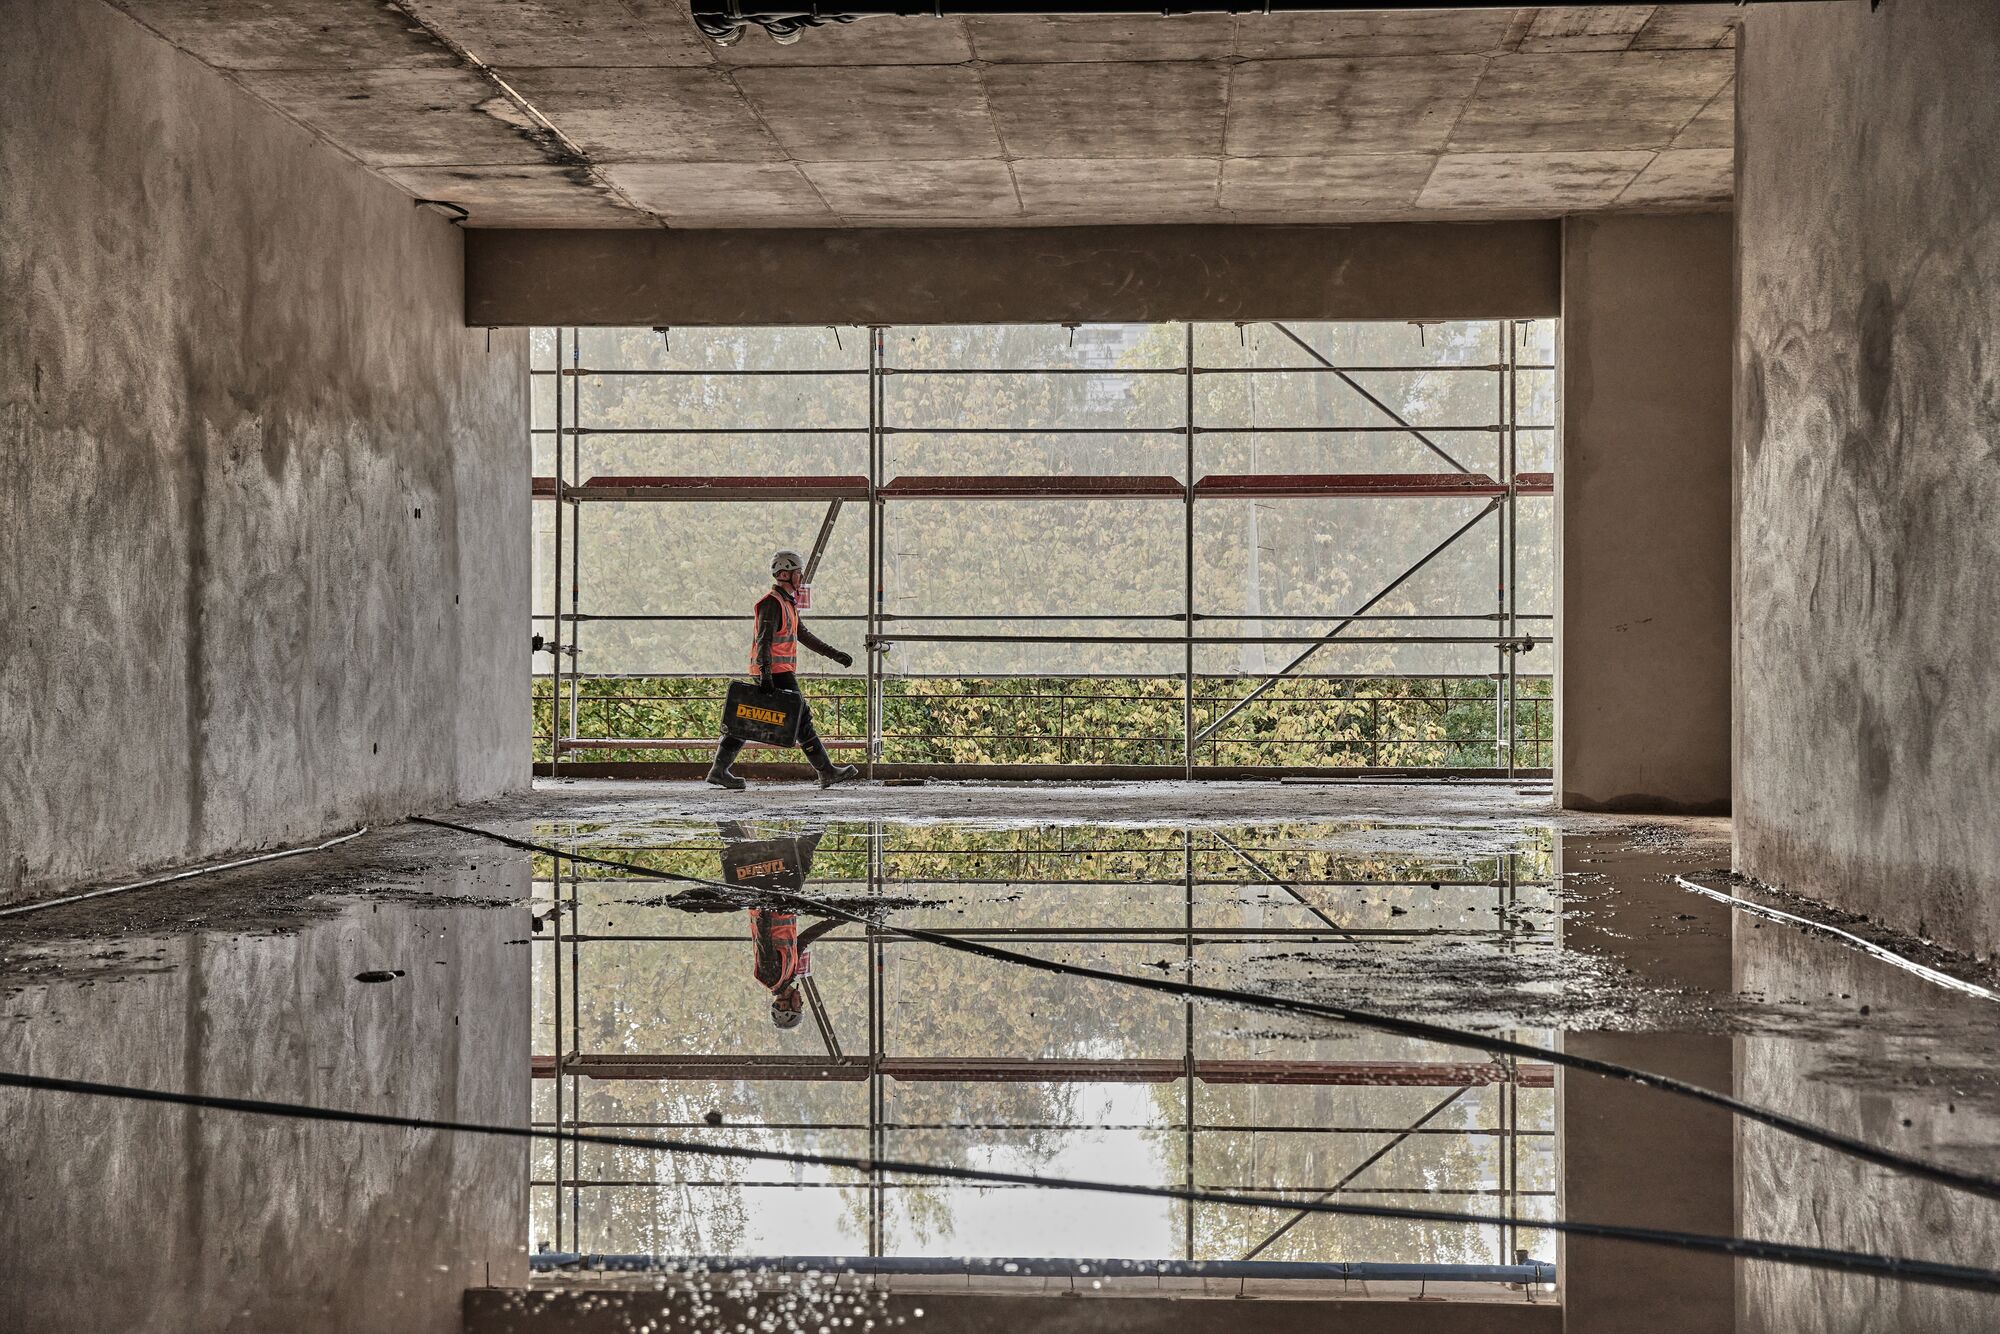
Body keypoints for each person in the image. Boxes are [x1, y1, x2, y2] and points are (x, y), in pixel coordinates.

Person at [707, 549, 861, 791]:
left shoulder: (788, 603)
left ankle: (718, 770)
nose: (801, 577)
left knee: (747, 718)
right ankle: (826, 771)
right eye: (798, 572)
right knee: (801, 718)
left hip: (777, 671)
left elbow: (803, 634)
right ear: (783, 574)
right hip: (775, 673)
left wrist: (834, 654)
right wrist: (766, 673)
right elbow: (764, 641)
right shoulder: (771, 603)